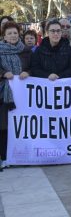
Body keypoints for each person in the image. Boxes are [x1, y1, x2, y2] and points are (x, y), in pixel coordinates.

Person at [0, 21, 31, 169]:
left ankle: (22, 156)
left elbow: (33, 66)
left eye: (15, 33)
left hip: (24, 94)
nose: (13, 36)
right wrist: (4, 73)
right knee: (5, 127)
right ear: (4, 37)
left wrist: (28, 72)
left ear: (19, 35)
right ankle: (5, 157)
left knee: (22, 125)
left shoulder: (25, 50)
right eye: (9, 33)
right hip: (5, 94)